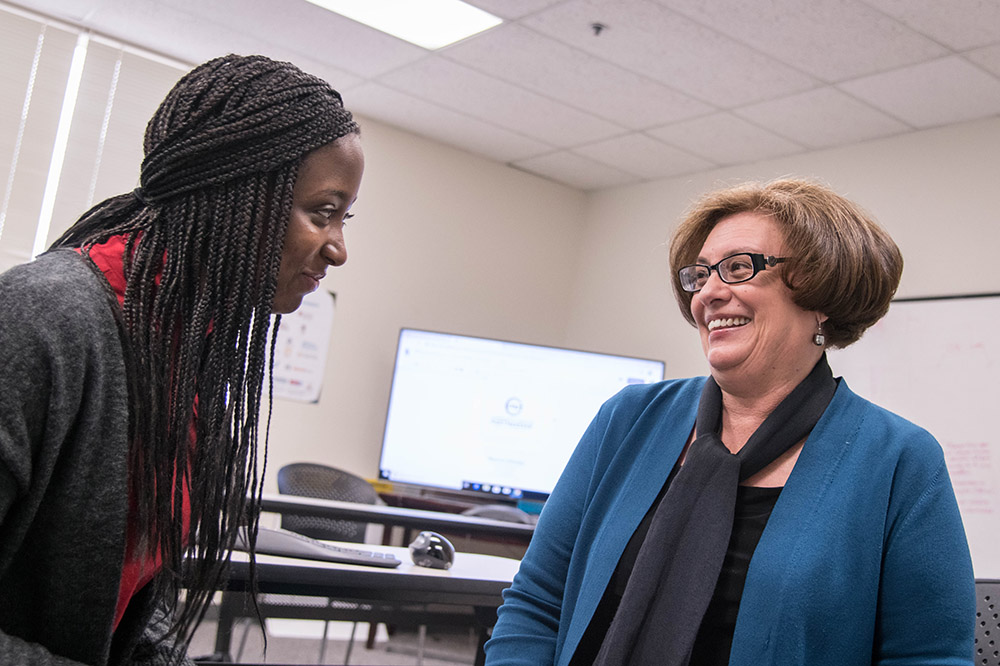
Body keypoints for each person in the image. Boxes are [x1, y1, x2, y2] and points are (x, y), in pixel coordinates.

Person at [484, 178, 975, 666]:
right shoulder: (629, 419)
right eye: (700, 275)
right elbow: (538, 603)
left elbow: (928, 655)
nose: (709, 294)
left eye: (739, 268)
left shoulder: (898, 459)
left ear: (822, 293)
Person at [0, 54, 364, 665]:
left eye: (343, 218)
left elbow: (144, 580)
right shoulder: (44, 318)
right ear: (234, 194)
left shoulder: (186, 352)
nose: (338, 249)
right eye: (321, 212)